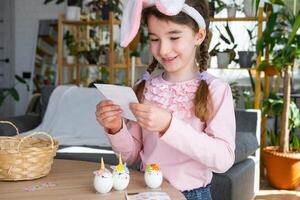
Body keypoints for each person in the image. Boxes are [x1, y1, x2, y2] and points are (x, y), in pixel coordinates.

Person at [95, 0, 236, 199]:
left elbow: (223, 159)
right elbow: (131, 156)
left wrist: (169, 125)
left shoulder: (216, 90)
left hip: (192, 195)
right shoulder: (145, 89)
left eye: (174, 37)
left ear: (199, 35)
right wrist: (116, 128)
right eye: (155, 39)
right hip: (146, 193)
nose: (163, 50)